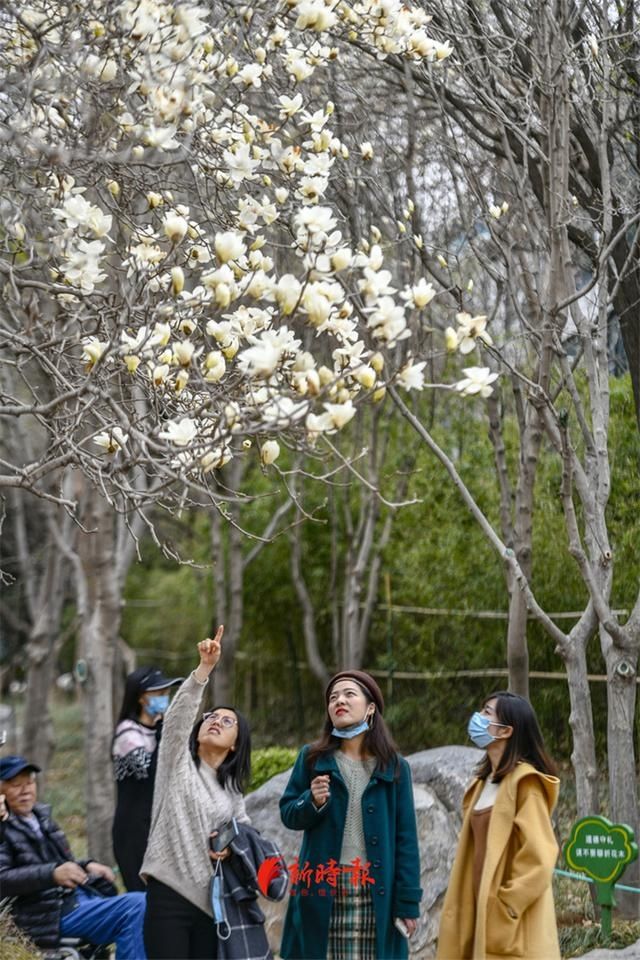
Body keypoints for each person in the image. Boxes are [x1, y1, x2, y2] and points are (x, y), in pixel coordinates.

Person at [279, 670, 422, 960]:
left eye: (348, 694)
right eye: (333, 698)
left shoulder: (394, 767)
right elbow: (288, 813)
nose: (339, 701)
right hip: (323, 889)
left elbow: (405, 838)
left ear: (371, 708)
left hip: (375, 892)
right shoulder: (313, 758)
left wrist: (407, 903)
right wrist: (312, 801)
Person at [141, 626, 252, 960]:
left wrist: (232, 850)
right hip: (168, 897)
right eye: (211, 716)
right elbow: (176, 720)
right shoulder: (177, 763)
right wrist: (204, 670)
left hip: (214, 907)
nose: (216, 721)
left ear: (235, 744)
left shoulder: (231, 791)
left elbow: (247, 835)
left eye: (227, 721)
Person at [436, 691, 561, 960]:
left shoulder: (526, 783)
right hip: (475, 909)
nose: (477, 718)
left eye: (486, 713)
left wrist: (507, 906)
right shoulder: (480, 784)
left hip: (511, 922)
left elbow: (540, 856)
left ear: (505, 731)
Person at [0, 755, 146, 957]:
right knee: (137, 905)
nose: (25, 790)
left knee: (148, 904)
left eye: (30, 783)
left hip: (77, 899)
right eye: (16, 785)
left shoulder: (41, 818)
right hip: (47, 915)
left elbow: (57, 864)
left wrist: (86, 865)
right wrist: (52, 874)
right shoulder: (3, 827)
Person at [112, 666, 183, 891]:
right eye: (158, 694)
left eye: (166, 694)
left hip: (159, 828)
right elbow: (152, 775)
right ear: (141, 698)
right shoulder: (127, 733)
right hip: (134, 831)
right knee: (143, 898)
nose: (165, 699)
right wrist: (165, 732)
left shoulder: (160, 729)